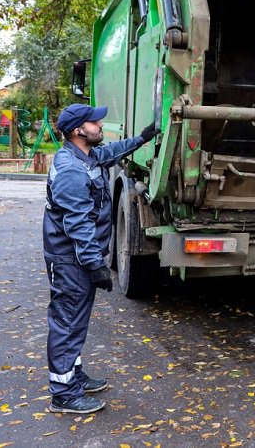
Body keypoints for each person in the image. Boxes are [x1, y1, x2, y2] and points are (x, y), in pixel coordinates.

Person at [43, 103, 159, 414]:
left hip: (76, 258)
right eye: (94, 122)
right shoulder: (70, 170)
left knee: (75, 319)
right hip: (70, 260)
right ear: (79, 130)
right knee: (67, 320)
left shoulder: (87, 156)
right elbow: (78, 225)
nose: (100, 124)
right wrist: (96, 264)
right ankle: (63, 394)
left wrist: (143, 138)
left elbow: (111, 153)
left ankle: (73, 375)